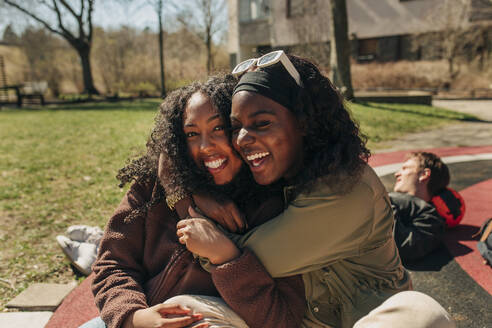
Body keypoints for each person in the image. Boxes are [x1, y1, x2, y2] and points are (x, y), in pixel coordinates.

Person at [175, 51, 455, 328]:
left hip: (373, 321)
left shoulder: (348, 187)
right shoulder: (279, 168)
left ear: (304, 123)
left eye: (262, 124)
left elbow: (249, 259)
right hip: (302, 321)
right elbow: (171, 149)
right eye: (236, 127)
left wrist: (193, 216)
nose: (243, 139)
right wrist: (187, 190)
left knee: (423, 312)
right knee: (184, 310)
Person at [87, 75, 305, 328]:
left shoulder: (273, 207)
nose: (205, 146)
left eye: (219, 128)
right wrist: (135, 317)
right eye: (192, 133)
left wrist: (226, 259)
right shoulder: (152, 187)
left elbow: (282, 319)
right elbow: (113, 264)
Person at [390, 151, 450, 262]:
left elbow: (403, 247)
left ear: (424, 174)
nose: (396, 174)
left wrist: (384, 203)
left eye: (405, 168)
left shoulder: (430, 216)